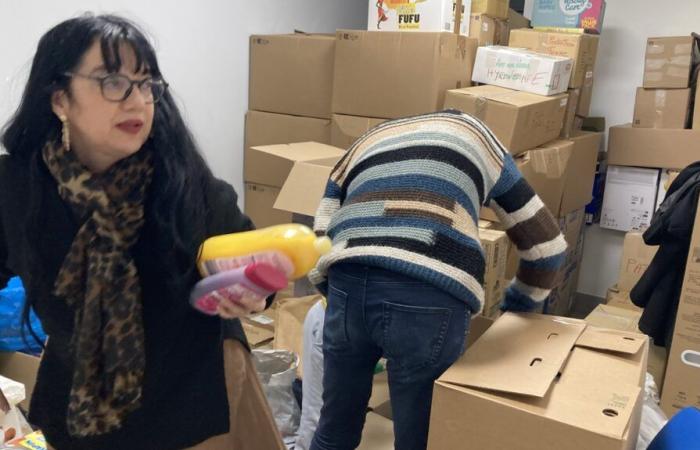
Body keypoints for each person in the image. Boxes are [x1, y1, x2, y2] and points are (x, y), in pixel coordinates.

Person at [0, 14, 287, 450]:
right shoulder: (17, 188)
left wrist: (251, 288)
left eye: (147, 83)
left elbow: (255, 274)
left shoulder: (186, 183)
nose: (137, 101)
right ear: (60, 98)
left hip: (193, 404)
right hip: (79, 411)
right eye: (113, 81)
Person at [307, 110, 569, 450]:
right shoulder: (478, 136)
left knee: (334, 431)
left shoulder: (367, 140)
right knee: (420, 440)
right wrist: (517, 312)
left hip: (348, 276)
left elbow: (320, 234)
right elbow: (548, 247)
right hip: (430, 286)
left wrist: (342, 297)